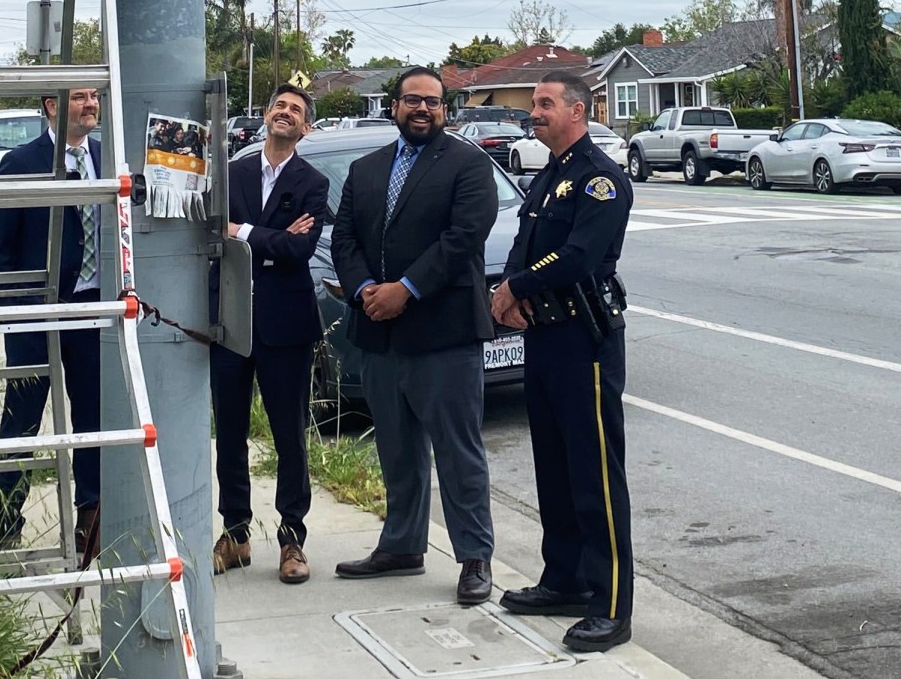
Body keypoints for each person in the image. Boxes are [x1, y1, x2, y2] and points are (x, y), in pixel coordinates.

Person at [329, 66, 498, 606]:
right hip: (378, 333)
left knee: (457, 451)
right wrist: (363, 292)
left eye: (433, 102)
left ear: (445, 110)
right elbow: (345, 239)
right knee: (397, 449)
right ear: (394, 107)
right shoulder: (365, 168)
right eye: (412, 101)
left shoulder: (468, 164)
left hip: (443, 332)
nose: (422, 110)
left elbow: (464, 238)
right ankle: (401, 546)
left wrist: (405, 288)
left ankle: (474, 557)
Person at [492, 69, 635, 653]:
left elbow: (578, 258)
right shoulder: (550, 176)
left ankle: (610, 605)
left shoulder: (600, 181)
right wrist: (510, 289)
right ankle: (564, 580)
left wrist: (514, 286)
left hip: (585, 341)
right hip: (544, 338)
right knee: (553, 467)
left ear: (578, 111)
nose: (535, 112)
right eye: (534, 104)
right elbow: (525, 247)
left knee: (596, 476)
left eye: (546, 103)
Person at [210, 84, 329, 584]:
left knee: (288, 435)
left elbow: (299, 252)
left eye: (296, 111)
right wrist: (271, 238)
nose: (285, 114)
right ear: (265, 115)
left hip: (286, 327)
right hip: (231, 322)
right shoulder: (230, 173)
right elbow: (213, 231)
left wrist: (243, 232)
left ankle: (292, 539)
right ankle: (235, 533)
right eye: (279, 106)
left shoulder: (313, 182)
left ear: (305, 128)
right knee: (230, 432)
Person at [0, 87, 104, 558]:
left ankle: (90, 525)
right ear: (52, 107)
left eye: (94, 97)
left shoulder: (106, 156)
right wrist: (12, 312)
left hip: (93, 309)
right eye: (79, 98)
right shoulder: (20, 162)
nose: (91, 105)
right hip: (35, 313)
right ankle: (9, 524)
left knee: (94, 418)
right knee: (21, 421)